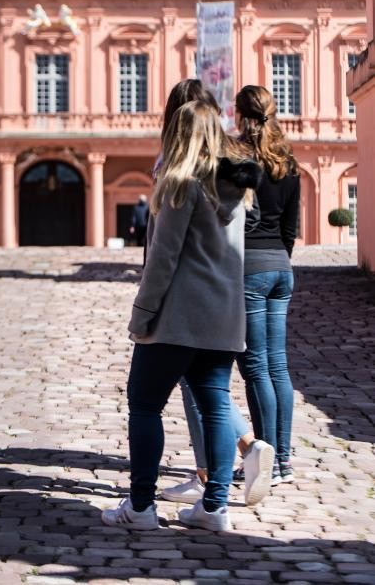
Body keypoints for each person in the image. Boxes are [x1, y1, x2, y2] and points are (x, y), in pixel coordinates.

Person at [102, 100, 261, 532]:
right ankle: (214, 508)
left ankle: (140, 507)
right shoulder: (236, 190)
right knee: (214, 407)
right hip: (223, 317)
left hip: (178, 318)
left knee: (145, 404)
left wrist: (142, 314)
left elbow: (163, 259)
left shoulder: (179, 183)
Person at [153, 80, 274, 508]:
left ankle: (213, 470)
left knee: (165, 395)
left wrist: (146, 308)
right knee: (213, 389)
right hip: (228, 296)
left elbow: (165, 245)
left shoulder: (178, 164)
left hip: (183, 299)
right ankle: (223, 481)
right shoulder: (232, 165)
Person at [234, 85, 300, 484]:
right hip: (281, 268)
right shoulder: (288, 162)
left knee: (256, 368)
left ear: (240, 115)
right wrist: (279, 259)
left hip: (251, 270)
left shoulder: (241, 159)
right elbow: (290, 228)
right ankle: (285, 460)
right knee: (278, 366)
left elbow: (243, 220)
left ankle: (269, 462)